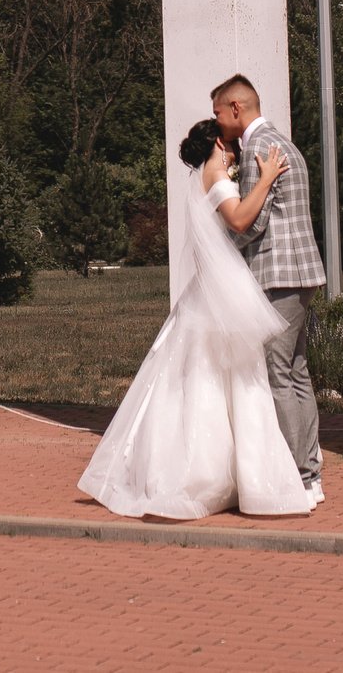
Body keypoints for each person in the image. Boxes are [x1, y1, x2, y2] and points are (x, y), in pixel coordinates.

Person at [76, 116, 313, 520]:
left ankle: (235, 474)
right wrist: (267, 178)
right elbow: (239, 219)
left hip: (214, 289)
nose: (237, 151)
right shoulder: (217, 175)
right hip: (221, 292)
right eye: (232, 145)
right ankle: (219, 477)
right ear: (219, 145)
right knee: (229, 380)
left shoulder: (209, 174)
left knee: (217, 381)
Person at [211, 73, 326, 504]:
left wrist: (220, 245)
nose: (218, 121)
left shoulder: (257, 147)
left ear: (236, 109)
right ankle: (310, 471)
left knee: (280, 374)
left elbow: (252, 223)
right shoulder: (283, 141)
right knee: (296, 371)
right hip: (301, 270)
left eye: (219, 113)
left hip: (278, 273)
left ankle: (301, 476)